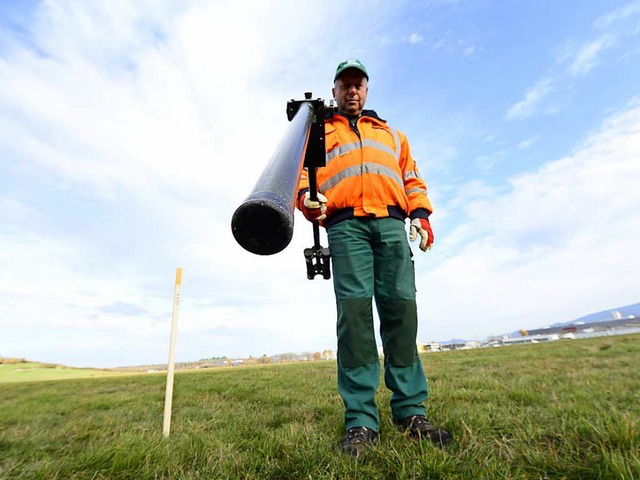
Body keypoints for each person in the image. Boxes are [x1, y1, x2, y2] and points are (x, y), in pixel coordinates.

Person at [297, 59, 452, 457]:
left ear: (366, 91)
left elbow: (412, 179)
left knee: (402, 310)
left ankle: (411, 411)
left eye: (358, 84)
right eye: (345, 84)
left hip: (390, 226)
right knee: (355, 318)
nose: (352, 90)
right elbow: (303, 179)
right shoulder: (318, 133)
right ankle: (361, 420)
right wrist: (306, 200)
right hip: (345, 227)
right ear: (334, 91)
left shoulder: (393, 135)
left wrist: (421, 215)